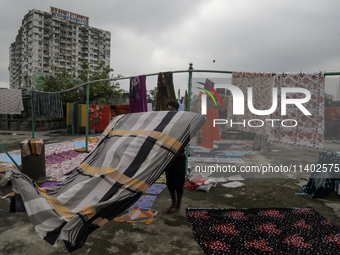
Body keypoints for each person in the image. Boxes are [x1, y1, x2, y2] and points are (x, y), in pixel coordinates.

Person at [165, 101, 186, 218]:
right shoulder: (166, 123)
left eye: (171, 110)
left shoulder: (181, 123)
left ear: (177, 111)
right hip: (168, 158)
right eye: (168, 110)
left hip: (179, 158)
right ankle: (173, 203)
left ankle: (178, 206)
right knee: (170, 183)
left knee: (179, 184)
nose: (169, 112)